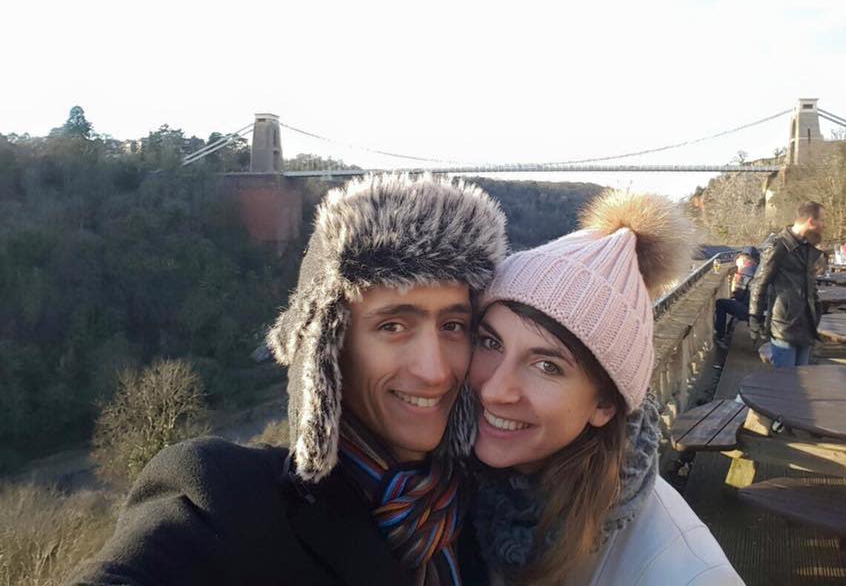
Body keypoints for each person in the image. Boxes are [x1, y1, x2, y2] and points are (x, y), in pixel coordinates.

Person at [70, 173, 508, 586]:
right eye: (393, 326)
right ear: (328, 345)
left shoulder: (493, 512)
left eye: (453, 326)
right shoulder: (229, 501)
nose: (434, 371)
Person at [468, 190, 743, 586]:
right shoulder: (460, 490)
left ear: (605, 404)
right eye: (491, 343)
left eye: (547, 366)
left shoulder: (687, 572)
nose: (495, 390)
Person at [749, 201, 826, 368]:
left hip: (806, 324)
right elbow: (759, 282)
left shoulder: (806, 246)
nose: (824, 225)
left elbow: (809, 282)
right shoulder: (778, 245)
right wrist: (755, 318)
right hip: (785, 325)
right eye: (822, 220)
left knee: (802, 380)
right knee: (785, 383)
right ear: (811, 222)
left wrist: (816, 307)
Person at [714, 248, 759, 349]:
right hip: (763, 311)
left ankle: (720, 336)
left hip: (751, 311)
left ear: (744, 259)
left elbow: (738, 295)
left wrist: (734, 284)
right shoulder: (759, 270)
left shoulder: (744, 271)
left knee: (721, 304)